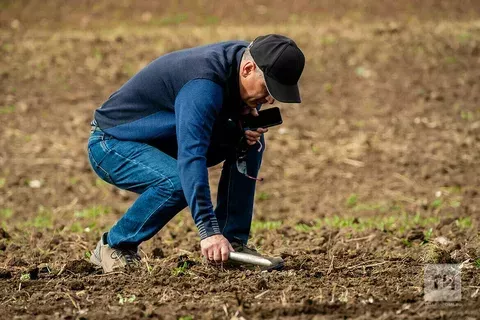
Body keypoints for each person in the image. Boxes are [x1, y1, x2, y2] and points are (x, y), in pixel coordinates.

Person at [87, 34, 305, 273]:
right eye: (268, 89)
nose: (270, 98)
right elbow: (192, 157)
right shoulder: (203, 85)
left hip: (163, 137)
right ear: (248, 69)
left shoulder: (248, 57)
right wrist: (208, 232)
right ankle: (115, 245)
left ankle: (233, 244)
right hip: (114, 143)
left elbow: (225, 112)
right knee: (177, 183)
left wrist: (242, 120)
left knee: (249, 140)